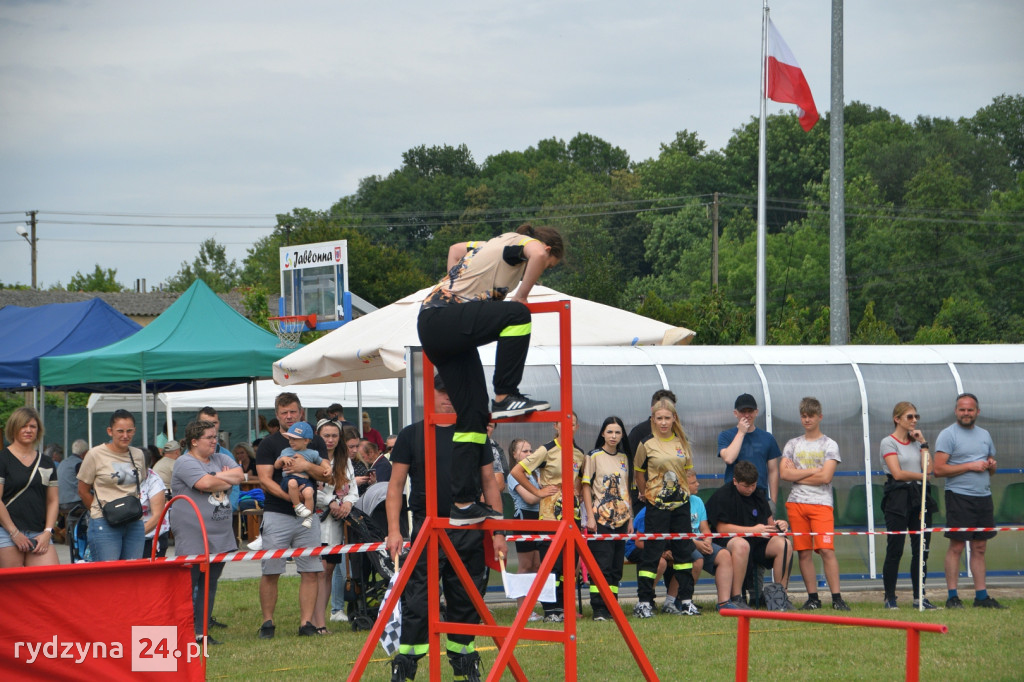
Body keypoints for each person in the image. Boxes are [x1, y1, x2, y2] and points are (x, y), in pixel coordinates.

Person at [417, 224, 564, 525]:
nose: (537, 272)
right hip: (443, 318)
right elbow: (535, 253)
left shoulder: (491, 244)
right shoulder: (524, 245)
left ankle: (462, 502)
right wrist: (521, 294)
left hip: (438, 327)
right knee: (517, 314)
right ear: (548, 250)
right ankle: (505, 394)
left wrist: (456, 287)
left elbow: (456, 250)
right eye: (546, 267)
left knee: (473, 415)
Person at [385, 374, 506, 682]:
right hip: (427, 529)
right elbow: (395, 486)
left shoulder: (474, 434)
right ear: (431, 394)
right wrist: (395, 531)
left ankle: (465, 663)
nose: (448, 396)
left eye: (454, 390)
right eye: (442, 390)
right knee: (417, 600)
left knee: (466, 597)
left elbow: (490, 483)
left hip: (468, 528)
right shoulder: (412, 434)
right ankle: (407, 666)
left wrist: (498, 532)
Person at [255, 393, 330, 639]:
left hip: (307, 515)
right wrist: (292, 499)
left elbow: (326, 474)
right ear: (277, 415)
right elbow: (265, 479)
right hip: (277, 512)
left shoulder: (315, 441)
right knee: (271, 570)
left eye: (293, 412)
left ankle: (306, 623)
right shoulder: (268, 444)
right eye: (284, 412)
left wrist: (306, 467)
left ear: (301, 413)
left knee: (310, 570)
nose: (289, 416)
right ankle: (268, 622)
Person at [171, 420, 244, 644]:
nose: (215, 441)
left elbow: (240, 476)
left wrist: (217, 478)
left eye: (216, 437)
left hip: (220, 535)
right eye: (210, 438)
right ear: (194, 442)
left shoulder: (221, 457)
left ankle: (201, 633)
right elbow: (204, 484)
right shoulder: (184, 462)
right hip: (193, 535)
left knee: (210, 584)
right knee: (187, 585)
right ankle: (182, 632)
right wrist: (222, 478)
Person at [509, 413, 585, 621]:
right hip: (551, 516)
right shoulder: (546, 449)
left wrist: (576, 494)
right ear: (556, 426)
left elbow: (580, 479)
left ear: (576, 427)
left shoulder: (579, 453)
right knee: (552, 564)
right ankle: (551, 610)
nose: (568, 428)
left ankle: (566, 608)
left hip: (573, 516)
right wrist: (538, 492)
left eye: (572, 425)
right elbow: (517, 471)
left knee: (570, 565)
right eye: (564, 425)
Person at [934, 393, 1004, 609]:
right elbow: (938, 469)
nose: (966, 413)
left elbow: (991, 470)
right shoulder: (948, 435)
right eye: (962, 410)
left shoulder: (985, 434)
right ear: (956, 411)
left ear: (977, 412)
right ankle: (952, 597)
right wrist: (970, 466)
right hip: (959, 497)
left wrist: (991, 465)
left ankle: (981, 597)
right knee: (956, 546)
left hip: (983, 497)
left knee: (980, 546)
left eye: (970, 410)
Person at [780, 397, 849, 611]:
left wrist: (797, 475)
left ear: (820, 417)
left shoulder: (830, 444)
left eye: (811, 415)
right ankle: (813, 598)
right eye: (803, 415)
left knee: (826, 550)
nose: (807, 419)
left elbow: (826, 478)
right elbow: (784, 473)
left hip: (821, 504)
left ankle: (837, 598)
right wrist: (812, 471)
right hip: (796, 503)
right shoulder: (793, 444)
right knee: (803, 552)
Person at [632, 397, 696, 618]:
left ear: (673, 418)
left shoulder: (682, 442)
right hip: (656, 506)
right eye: (659, 418)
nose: (663, 422)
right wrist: (646, 494)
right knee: (652, 552)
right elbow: (638, 473)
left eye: (667, 418)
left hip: (680, 505)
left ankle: (686, 601)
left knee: (683, 552)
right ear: (653, 419)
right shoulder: (646, 443)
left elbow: (686, 473)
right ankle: (644, 602)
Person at [707, 460, 794, 611]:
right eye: (746, 486)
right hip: (729, 540)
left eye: (753, 485)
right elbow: (721, 528)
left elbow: (769, 524)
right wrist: (752, 530)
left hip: (758, 542)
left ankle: (779, 595)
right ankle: (736, 598)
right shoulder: (723, 495)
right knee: (742, 545)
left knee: (784, 544)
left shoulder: (759, 494)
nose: (750, 489)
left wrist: (780, 525)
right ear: (735, 481)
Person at [879, 401, 938, 610]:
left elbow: (929, 469)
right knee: (895, 548)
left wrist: (923, 444)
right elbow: (898, 473)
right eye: (909, 417)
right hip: (898, 497)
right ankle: (889, 596)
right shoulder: (888, 442)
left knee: (921, 548)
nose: (914, 421)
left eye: (916, 417)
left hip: (919, 497)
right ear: (897, 419)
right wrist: (923, 476)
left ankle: (919, 596)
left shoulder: (916, 443)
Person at [77, 409, 148, 562]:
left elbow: (141, 479)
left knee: (132, 573)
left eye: (129, 431)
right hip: (104, 521)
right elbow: (83, 490)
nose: (125, 435)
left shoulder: (138, 454)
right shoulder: (95, 454)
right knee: (107, 575)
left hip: (134, 521)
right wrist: (100, 511)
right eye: (120, 431)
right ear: (110, 431)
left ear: (134, 431)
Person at [582, 416, 633, 621]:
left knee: (615, 567)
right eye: (610, 432)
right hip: (600, 520)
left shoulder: (624, 458)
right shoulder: (593, 456)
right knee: (600, 566)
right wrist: (591, 517)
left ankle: (612, 605)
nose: (613, 436)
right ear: (603, 433)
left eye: (617, 432)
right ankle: (599, 608)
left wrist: (630, 519)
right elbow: (586, 486)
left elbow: (626, 490)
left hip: (621, 520)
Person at [312, 418, 359, 629]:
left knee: (329, 570)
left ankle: (319, 618)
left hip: (336, 524)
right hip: (316, 523)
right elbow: (311, 490)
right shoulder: (311, 458)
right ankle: (314, 620)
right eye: (326, 436)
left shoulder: (344, 460)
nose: (330, 440)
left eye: (334, 436)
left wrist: (347, 503)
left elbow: (353, 490)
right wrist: (329, 501)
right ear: (318, 436)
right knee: (318, 571)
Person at [0, 407, 59, 568]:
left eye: (32, 426)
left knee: (50, 584)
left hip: (39, 532)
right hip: (6, 532)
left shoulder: (47, 462)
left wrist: (48, 532)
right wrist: (14, 533)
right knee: (12, 588)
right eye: (23, 426)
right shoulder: (3, 459)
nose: (28, 430)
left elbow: (53, 500)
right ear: (13, 428)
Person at [681, 470, 741, 614]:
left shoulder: (698, 501)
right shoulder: (676, 503)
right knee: (698, 559)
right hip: (684, 543)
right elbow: (677, 533)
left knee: (724, 555)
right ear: (683, 485)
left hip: (701, 542)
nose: (698, 484)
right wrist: (697, 543)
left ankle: (724, 602)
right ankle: (684, 600)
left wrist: (707, 540)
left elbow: (705, 528)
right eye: (693, 482)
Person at [506, 438, 550, 622]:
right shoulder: (513, 475)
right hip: (524, 519)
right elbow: (530, 499)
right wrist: (547, 493)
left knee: (537, 566)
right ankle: (521, 609)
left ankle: (531, 608)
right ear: (515, 455)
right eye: (524, 451)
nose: (529, 454)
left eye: (531, 451)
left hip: (538, 519)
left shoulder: (535, 474)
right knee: (524, 566)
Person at [718, 393, 782, 508]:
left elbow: (773, 471)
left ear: (756, 412)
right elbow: (729, 458)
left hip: (759, 494)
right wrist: (741, 432)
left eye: (750, 411)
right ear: (735, 413)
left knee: (761, 526)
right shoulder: (726, 436)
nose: (747, 415)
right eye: (743, 411)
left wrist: (772, 502)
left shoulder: (768, 438)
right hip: (734, 494)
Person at [276, 421, 327, 529]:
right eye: (290, 438)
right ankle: (298, 506)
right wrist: (282, 459)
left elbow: (321, 462)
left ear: (306, 440)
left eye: (295, 439)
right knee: (292, 483)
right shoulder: (285, 451)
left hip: (305, 480)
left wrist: (328, 468)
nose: (291, 441)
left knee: (309, 492)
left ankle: (308, 517)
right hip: (289, 478)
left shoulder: (312, 453)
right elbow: (276, 466)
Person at [198, 407, 241, 509]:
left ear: (219, 424)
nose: (210, 426)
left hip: (222, 513)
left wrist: (230, 507)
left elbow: (236, 484)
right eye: (206, 423)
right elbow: (203, 484)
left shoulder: (227, 455)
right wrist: (224, 479)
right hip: (199, 514)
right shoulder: (188, 456)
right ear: (197, 425)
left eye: (214, 423)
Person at [141, 452, 170, 558]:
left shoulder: (154, 481)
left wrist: (134, 535)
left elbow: (157, 516)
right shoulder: (125, 477)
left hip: (152, 536)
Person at [58, 438, 88, 513]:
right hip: (74, 503)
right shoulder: (79, 463)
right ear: (85, 453)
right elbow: (88, 483)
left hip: (60, 502)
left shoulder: (63, 462)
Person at [348, 427, 374, 496]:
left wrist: (372, 482)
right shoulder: (336, 463)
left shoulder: (359, 461)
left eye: (357, 446)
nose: (355, 450)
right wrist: (353, 483)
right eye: (351, 447)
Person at [486, 422, 508, 492]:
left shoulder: (496, 449)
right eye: (485, 424)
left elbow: (505, 470)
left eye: (490, 426)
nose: (487, 428)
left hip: (490, 493)